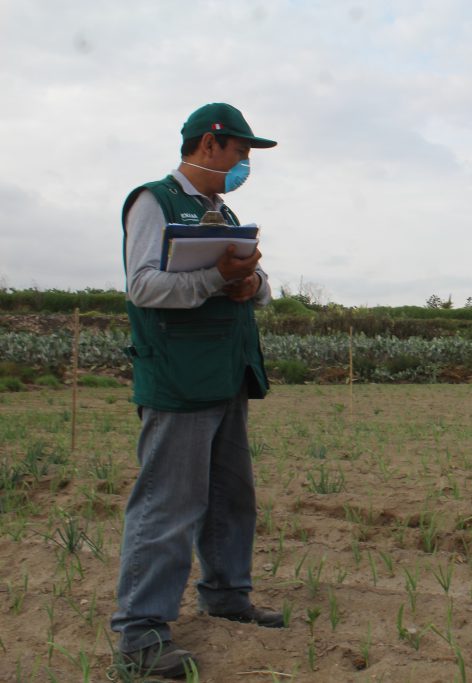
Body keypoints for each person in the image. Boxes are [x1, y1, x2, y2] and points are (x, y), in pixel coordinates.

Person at [112, 103, 283, 678]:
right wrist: (216, 279)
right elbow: (142, 286)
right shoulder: (152, 202)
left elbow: (253, 285)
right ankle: (140, 634)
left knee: (233, 498)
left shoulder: (222, 209)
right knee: (168, 504)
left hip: (225, 373)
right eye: (240, 152)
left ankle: (227, 594)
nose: (244, 164)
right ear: (210, 145)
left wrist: (250, 282)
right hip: (180, 379)